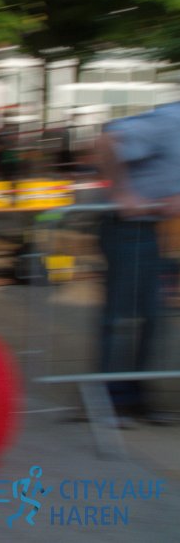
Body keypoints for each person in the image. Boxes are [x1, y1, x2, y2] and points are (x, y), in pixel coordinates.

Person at [93, 100, 180, 422]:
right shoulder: (171, 122)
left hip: (151, 230)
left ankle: (133, 396)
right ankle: (112, 398)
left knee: (151, 317)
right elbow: (107, 141)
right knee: (123, 316)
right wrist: (122, 194)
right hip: (129, 229)